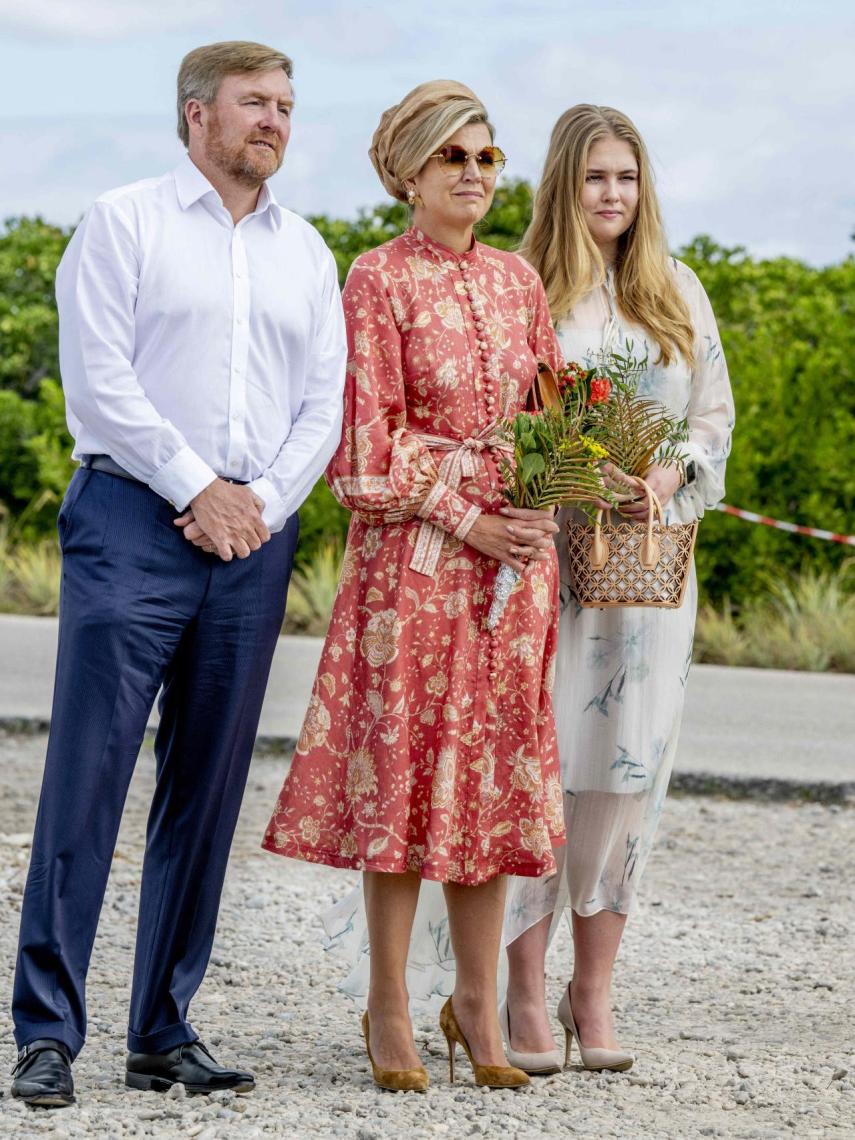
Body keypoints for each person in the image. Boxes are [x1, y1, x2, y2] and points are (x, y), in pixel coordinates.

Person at [10, 41, 346, 1108]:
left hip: (253, 543)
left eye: (287, 106)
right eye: (255, 103)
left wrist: (259, 507)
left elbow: (322, 405)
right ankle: (46, 1031)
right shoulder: (123, 222)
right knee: (90, 778)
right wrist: (200, 487)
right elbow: (100, 378)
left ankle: (162, 1029)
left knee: (203, 793)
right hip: (131, 519)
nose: (275, 121)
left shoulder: (309, 253)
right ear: (195, 115)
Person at [263, 80, 565, 1092]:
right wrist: (468, 513)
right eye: (454, 159)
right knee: (402, 778)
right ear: (409, 171)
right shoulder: (377, 279)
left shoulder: (522, 284)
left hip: (513, 572)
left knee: (489, 779)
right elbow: (366, 444)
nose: (475, 176)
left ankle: (477, 1004)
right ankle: (387, 1004)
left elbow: (557, 412)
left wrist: (554, 497)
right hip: (417, 566)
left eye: (487, 158)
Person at [500, 104, 735, 1074]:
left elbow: (713, 414)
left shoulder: (676, 290)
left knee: (626, 781)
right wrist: (579, 472)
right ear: (565, 183)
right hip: (550, 572)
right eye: (596, 178)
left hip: (651, 581)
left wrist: (672, 471)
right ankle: (518, 992)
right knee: (542, 774)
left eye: (627, 179)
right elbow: (507, 413)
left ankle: (590, 994)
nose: (613, 196)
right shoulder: (525, 288)